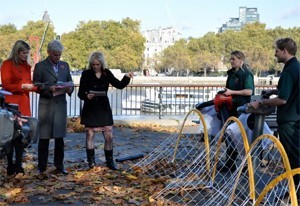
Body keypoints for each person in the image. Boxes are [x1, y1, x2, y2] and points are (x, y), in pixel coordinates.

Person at [249, 37, 299, 197]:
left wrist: (262, 102)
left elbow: (283, 100)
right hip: (297, 118)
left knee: (292, 157)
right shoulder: (297, 67)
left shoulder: (288, 71)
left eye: (276, 51)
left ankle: (295, 191)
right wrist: (272, 92)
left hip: (289, 122)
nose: (274, 54)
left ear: (284, 51)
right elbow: (290, 91)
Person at [78, 51, 133, 170]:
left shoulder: (107, 73)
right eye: (93, 64)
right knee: (89, 134)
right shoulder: (86, 74)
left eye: (97, 65)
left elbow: (119, 85)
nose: (95, 67)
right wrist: (86, 95)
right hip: (90, 108)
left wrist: (127, 77)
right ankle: (91, 162)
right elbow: (80, 93)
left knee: (108, 135)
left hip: (103, 108)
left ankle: (110, 162)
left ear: (102, 64)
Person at [33, 40, 74, 175]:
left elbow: (70, 82)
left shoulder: (65, 65)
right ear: (49, 53)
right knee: (44, 138)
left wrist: (69, 89)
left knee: (59, 138)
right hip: (46, 105)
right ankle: (42, 167)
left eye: (59, 55)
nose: (58, 57)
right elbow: (36, 85)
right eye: (55, 55)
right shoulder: (40, 66)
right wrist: (48, 89)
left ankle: (59, 165)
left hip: (60, 105)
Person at [1, 40, 35, 175]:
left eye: (27, 53)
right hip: (11, 104)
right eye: (24, 53)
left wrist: (40, 87)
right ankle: (10, 163)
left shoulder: (27, 66)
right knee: (10, 135)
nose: (26, 55)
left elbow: (30, 84)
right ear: (17, 52)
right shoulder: (7, 65)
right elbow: (6, 85)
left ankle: (18, 163)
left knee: (22, 136)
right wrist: (21, 87)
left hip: (24, 103)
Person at [220, 50, 255, 172]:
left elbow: (249, 91)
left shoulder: (246, 74)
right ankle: (230, 163)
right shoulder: (231, 74)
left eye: (233, 59)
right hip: (231, 108)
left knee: (240, 137)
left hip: (242, 109)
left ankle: (245, 164)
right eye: (231, 59)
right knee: (229, 135)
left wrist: (232, 92)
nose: (231, 61)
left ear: (241, 60)